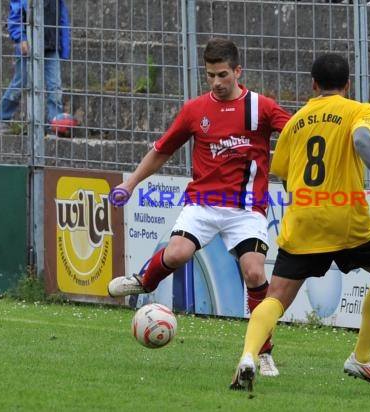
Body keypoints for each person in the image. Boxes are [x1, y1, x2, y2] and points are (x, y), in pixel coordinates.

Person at [108, 38, 292, 377]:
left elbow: (297, 133)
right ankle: (145, 282)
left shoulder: (261, 107)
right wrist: (131, 182)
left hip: (246, 207)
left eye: (223, 74)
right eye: (210, 75)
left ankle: (262, 352)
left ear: (238, 71)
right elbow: (163, 150)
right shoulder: (195, 110)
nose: (217, 82)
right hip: (203, 203)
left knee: (254, 272)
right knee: (177, 253)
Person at [230, 53, 370, 391]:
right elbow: (362, 140)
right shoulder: (359, 110)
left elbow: (282, 174)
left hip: (304, 219)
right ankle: (361, 358)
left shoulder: (295, 122)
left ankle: (249, 355)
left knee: (276, 297)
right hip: (346, 218)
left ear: (313, 84)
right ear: (348, 84)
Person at [0, 0, 71, 135]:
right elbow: (16, 14)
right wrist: (21, 37)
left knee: (55, 87)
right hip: (28, 44)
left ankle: (55, 126)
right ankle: (2, 117)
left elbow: (62, 17)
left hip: (51, 46)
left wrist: (64, 47)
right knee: (21, 82)